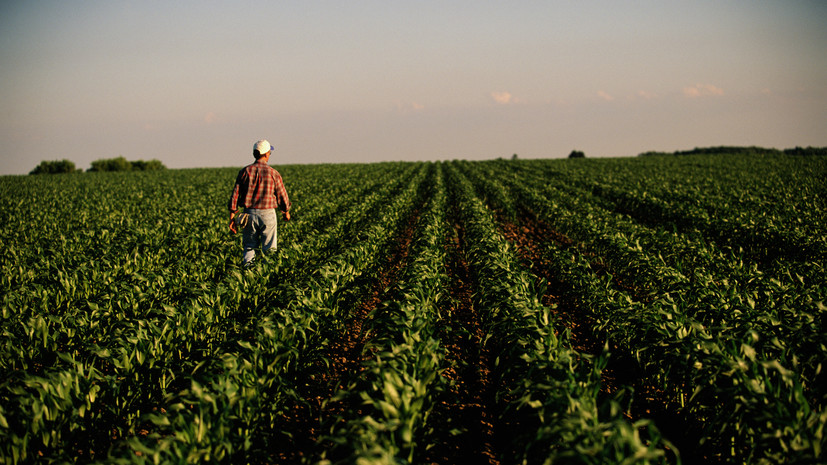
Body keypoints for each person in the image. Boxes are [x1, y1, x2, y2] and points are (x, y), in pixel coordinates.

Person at [228, 140, 291, 266]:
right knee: (269, 249)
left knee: (249, 247)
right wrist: (286, 211)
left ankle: (247, 275)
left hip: (249, 214)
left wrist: (232, 217)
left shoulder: (245, 172)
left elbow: (235, 194)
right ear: (267, 154)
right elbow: (282, 195)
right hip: (268, 215)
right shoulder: (273, 173)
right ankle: (267, 277)